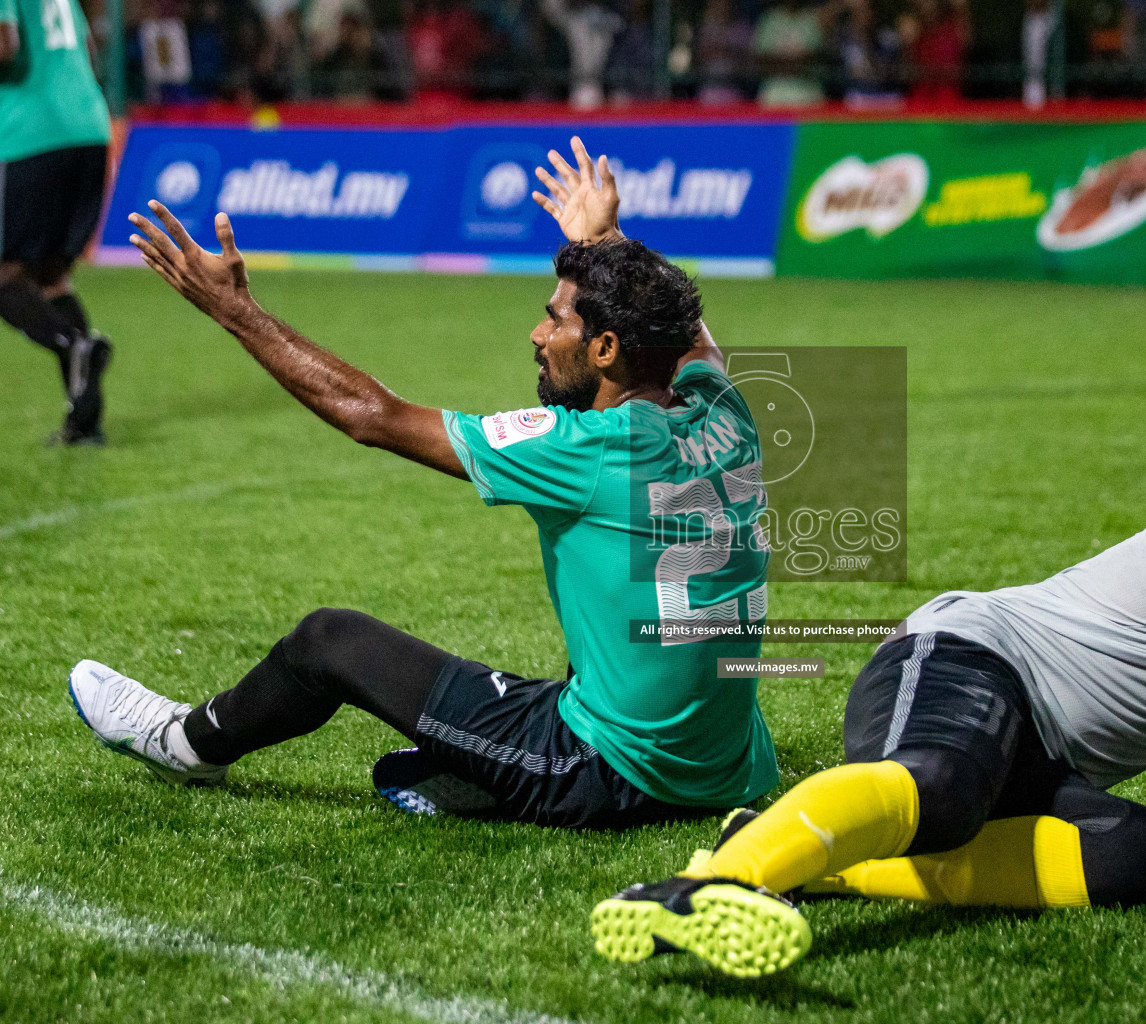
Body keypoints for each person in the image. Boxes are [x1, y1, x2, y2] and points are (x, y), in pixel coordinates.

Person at [593, 427, 1146, 979]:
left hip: (1035, 750)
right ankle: (698, 890)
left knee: (1141, 853)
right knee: (940, 787)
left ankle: (804, 848)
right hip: (965, 661)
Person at [67, 138, 779, 831]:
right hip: (731, 767)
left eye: (556, 319)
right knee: (545, 686)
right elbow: (689, 334)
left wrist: (234, 311)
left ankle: (186, 744)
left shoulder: (591, 448)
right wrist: (606, 242)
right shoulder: (724, 407)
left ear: (605, 348)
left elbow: (373, 417)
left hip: (614, 772)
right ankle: (474, 770)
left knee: (329, 642)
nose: (536, 333)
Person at [0, 0, 114, 444]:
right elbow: (88, 45)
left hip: (32, 134)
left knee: (5, 276)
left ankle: (74, 344)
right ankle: (85, 423)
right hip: (89, 126)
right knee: (52, 277)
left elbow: (5, 44)